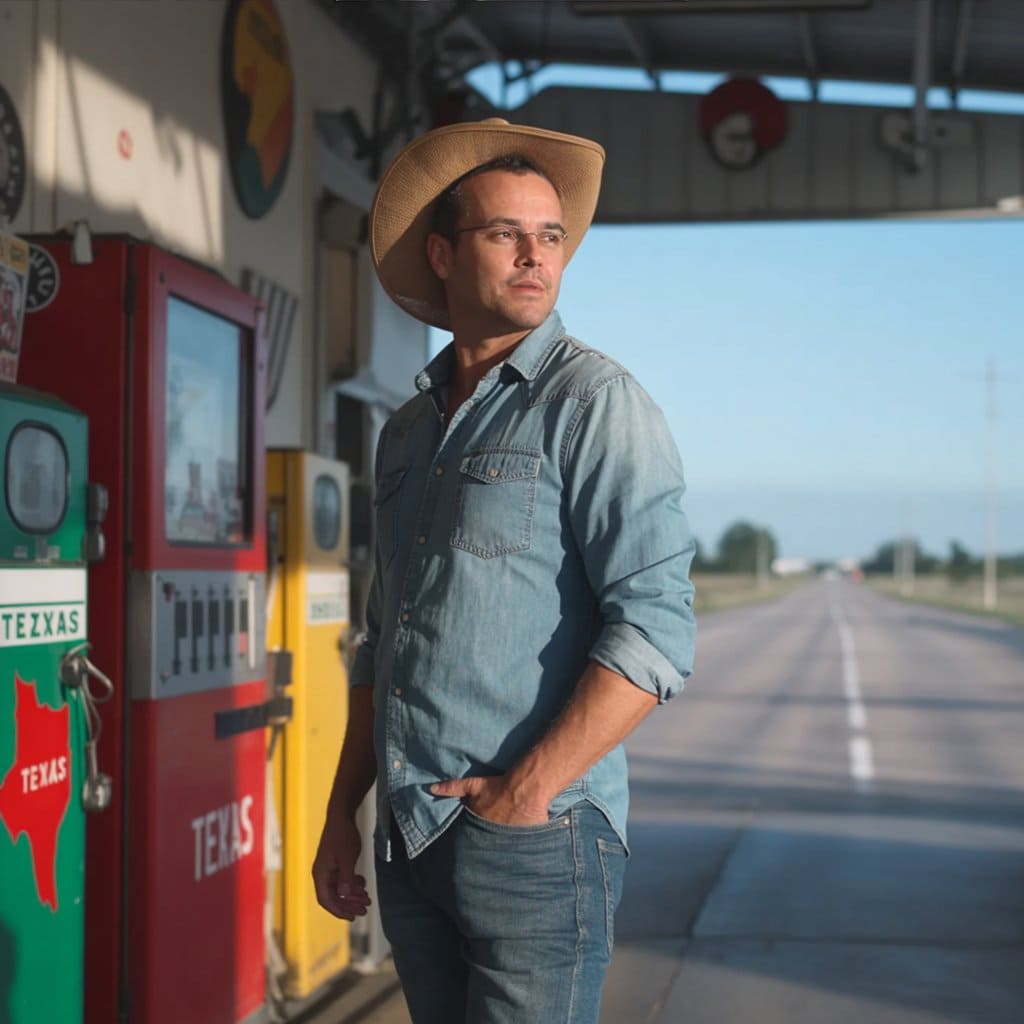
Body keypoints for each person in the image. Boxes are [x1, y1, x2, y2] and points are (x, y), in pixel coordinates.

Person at [313, 117, 697, 1024]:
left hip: (534, 839)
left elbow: (656, 630)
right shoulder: (406, 431)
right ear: (443, 256)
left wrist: (526, 793)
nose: (536, 256)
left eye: (551, 236)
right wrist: (343, 811)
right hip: (412, 835)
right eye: (505, 234)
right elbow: (386, 638)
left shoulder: (595, 404)